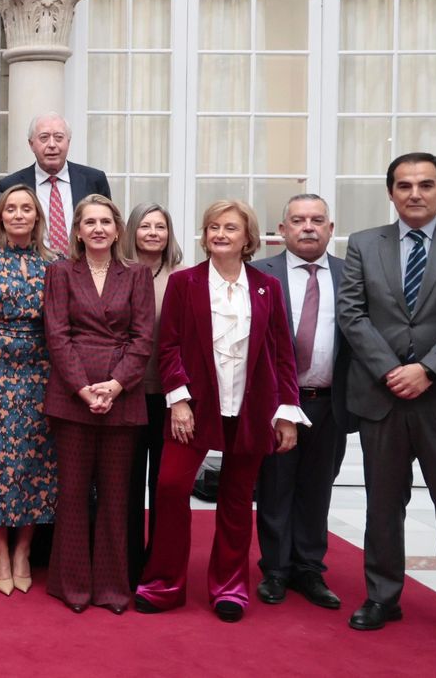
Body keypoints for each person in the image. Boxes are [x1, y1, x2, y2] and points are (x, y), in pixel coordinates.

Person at [338, 153, 436, 657]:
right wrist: (392, 369)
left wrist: (428, 369)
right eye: (404, 185)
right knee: (383, 507)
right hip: (382, 396)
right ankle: (383, 598)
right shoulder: (364, 244)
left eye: (425, 184)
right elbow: (352, 311)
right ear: (390, 192)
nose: (414, 193)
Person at [135, 200, 303, 624]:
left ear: (248, 237)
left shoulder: (268, 287)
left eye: (230, 227)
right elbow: (168, 347)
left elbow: (283, 354)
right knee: (171, 488)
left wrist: (286, 411)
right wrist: (180, 400)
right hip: (193, 408)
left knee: (236, 497)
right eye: (213, 227)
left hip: (251, 408)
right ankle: (164, 583)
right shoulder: (184, 282)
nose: (220, 234)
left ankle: (230, 586)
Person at [43, 194, 153, 615]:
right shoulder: (60, 272)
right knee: (71, 494)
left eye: (105, 221)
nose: (98, 229)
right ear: (76, 231)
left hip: (123, 397)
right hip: (72, 397)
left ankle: (111, 586)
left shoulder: (137, 274)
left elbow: (144, 338)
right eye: (89, 222)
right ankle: (70, 584)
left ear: (118, 229)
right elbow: (57, 334)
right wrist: (84, 388)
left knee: (115, 496)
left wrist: (116, 384)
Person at [253, 194, 355, 611]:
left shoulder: (352, 275)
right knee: (276, 486)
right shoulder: (259, 274)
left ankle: (309, 568)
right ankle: (275, 570)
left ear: (331, 229)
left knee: (317, 488)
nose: (308, 227)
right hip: (277, 403)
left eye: (317, 220)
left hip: (331, 400)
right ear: (282, 230)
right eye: (298, 220)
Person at [0, 185, 57, 596]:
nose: (19, 215)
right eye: (11, 209)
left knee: (36, 462)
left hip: (43, 374)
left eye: (27, 209)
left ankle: (24, 551)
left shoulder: (55, 264)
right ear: (0, 216)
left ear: (37, 217)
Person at [120, 201, 186, 589]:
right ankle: (126, 567)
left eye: (160, 226)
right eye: (145, 226)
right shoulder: (117, 273)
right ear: (132, 231)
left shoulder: (184, 275)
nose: (152, 233)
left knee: (163, 485)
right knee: (126, 486)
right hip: (127, 393)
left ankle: (159, 565)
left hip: (170, 397)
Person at [0, 113, 112, 257]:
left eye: (59, 138)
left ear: (68, 142)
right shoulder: (10, 185)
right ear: (31, 144)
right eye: (44, 138)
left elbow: (107, 227)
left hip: (84, 269)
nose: (52, 145)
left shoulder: (94, 180)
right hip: (30, 271)